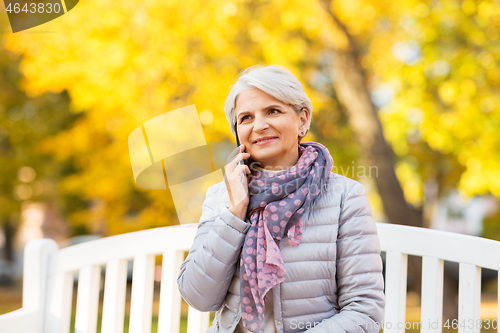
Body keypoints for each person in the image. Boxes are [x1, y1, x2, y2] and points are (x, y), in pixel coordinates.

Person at [177, 64, 385, 333]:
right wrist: (235, 211)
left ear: (303, 120)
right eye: (246, 118)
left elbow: (365, 310)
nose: (260, 125)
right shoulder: (222, 196)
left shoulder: (345, 196)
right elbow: (199, 297)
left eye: (273, 111)